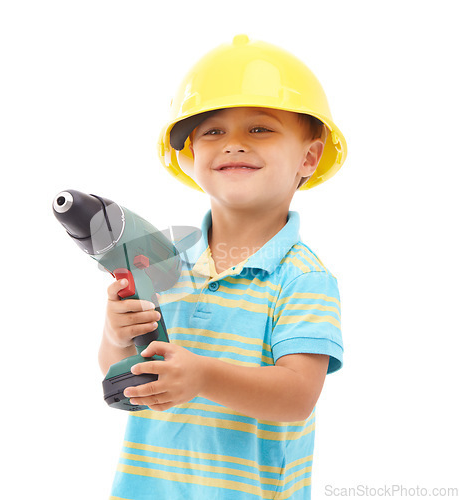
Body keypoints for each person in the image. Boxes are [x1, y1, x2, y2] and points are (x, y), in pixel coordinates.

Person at [99, 34, 347, 500]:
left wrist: (203, 376)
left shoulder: (303, 278)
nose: (232, 144)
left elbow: (297, 397)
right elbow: (122, 371)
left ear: (308, 158)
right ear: (189, 156)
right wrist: (116, 335)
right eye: (212, 131)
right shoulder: (163, 257)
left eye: (259, 129)